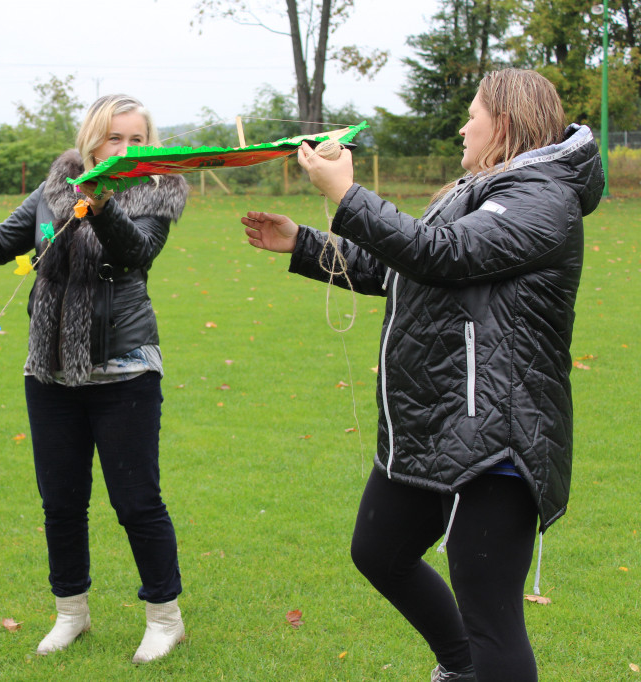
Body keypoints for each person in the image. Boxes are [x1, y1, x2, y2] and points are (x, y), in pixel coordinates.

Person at [241, 69, 603, 681]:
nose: (463, 125)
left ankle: (475, 666)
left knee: (492, 620)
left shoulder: (544, 196)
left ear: (504, 125)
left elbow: (440, 254)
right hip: (437, 421)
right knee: (380, 552)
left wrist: (346, 196)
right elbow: (408, 268)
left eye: (472, 114)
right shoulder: (482, 187)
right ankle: (460, 667)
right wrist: (305, 244)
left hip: (497, 435)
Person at [0, 94, 190, 663]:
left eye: (137, 138)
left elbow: (134, 253)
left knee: (137, 502)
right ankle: (71, 614)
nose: (126, 148)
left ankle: (165, 618)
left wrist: (103, 204)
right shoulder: (56, 185)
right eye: (115, 137)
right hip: (49, 370)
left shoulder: (159, 189)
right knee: (61, 502)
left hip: (125, 368)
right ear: (92, 139)